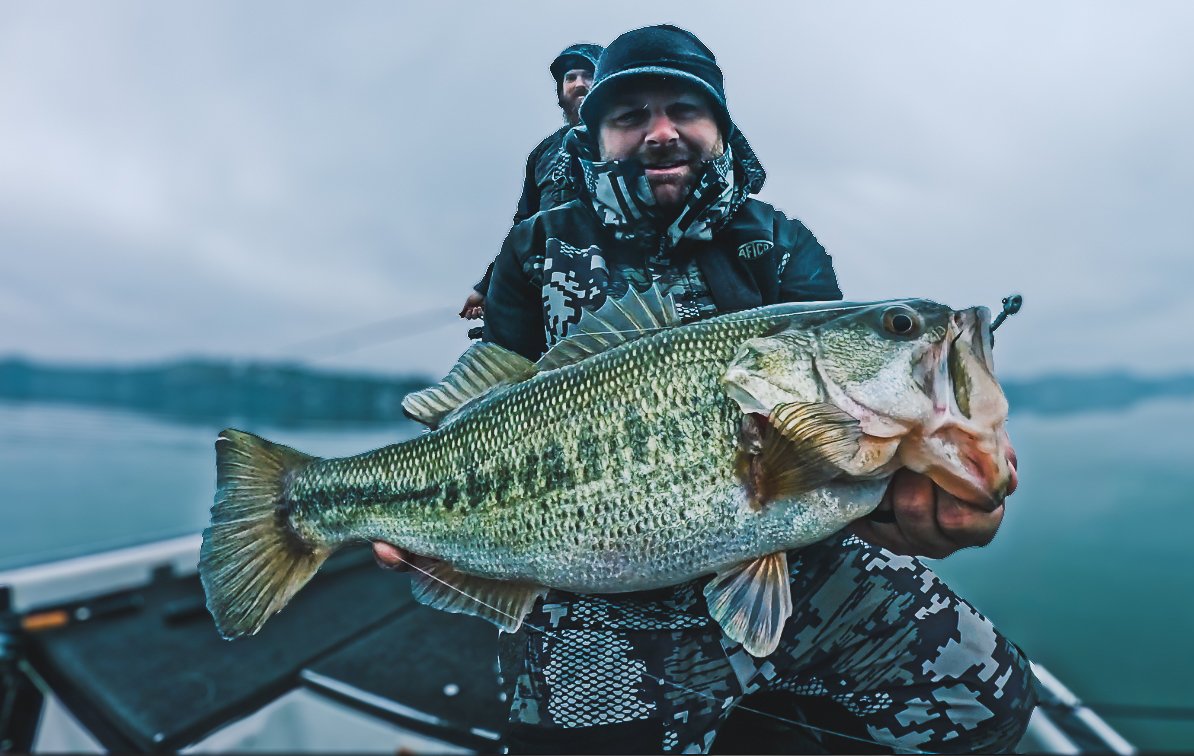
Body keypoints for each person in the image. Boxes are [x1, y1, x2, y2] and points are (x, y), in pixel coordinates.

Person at [380, 25, 1035, 754]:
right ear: (596, 136)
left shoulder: (781, 244)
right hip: (586, 588)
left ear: (721, 127)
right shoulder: (536, 246)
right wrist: (430, 505)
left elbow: (836, 455)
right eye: (630, 115)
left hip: (789, 560)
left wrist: (907, 499)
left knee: (985, 699)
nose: (660, 131)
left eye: (684, 109)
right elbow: (493, 393)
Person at [459, 42, 604, 322]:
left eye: (588, 75)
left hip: (613, 284)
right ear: (561, 92)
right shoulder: (542, 154)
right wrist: (486, 287)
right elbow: (523, 227)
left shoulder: (629, 139)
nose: (579, 84)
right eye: (570, 78)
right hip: (550, 287)